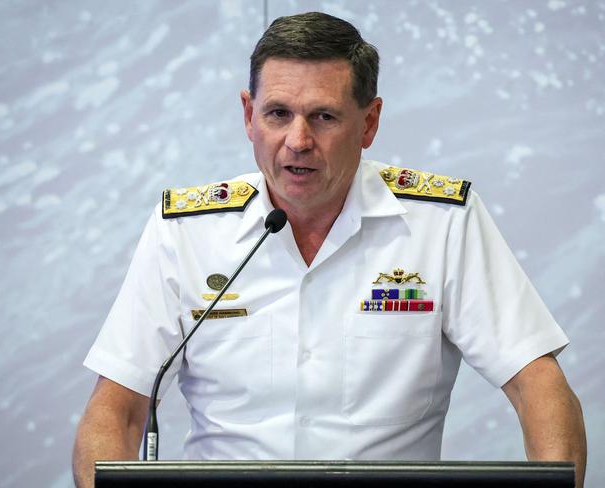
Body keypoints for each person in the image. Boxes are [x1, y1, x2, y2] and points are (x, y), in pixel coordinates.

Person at [72, 12, 587, 488]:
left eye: (323, 117)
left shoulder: (443, 222)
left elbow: (537, 386)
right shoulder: (184, 232)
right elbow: (116, 411)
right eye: (278, 113)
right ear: (249, 116)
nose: (297, 140)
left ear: (369, 123)